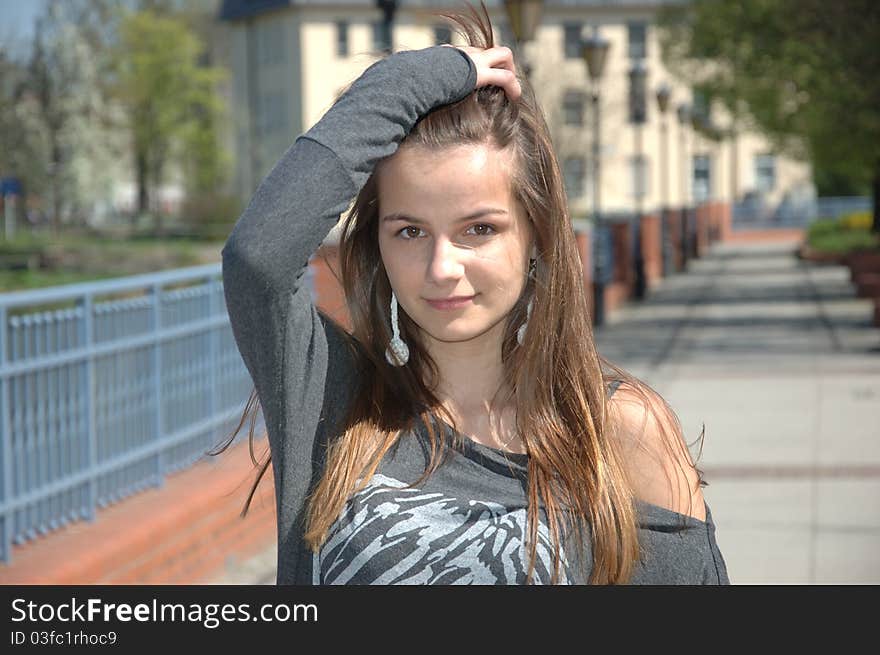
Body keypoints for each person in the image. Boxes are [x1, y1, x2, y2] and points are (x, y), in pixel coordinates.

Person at [216, 2, 730, 585]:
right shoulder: (333, 399)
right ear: (377, 244)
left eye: (478, 229)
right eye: (410, 231)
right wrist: (417, 79)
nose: (442, 267)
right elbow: (257, 257)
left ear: (535, 235)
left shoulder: (615, 430)